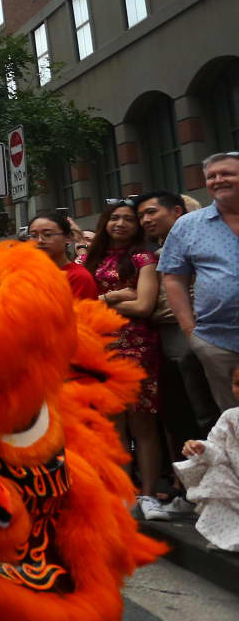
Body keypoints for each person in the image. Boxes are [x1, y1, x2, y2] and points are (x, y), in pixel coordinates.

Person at [84, 200, 166, 517]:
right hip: (99, 345)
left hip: (137, 346)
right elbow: (80, 303)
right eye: (114, 218)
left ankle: (149, 494)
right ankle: (122, 490)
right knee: (113, 423)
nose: (120, 223)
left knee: (142, 422)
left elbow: (143, 306)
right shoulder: (88, 258)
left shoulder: (143, 257)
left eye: (128, 219)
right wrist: (115, 296)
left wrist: (99, 302)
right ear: (105, 222)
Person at [160, 152, 239, 414]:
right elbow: (173, 278)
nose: (218, 180)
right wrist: (189, 331)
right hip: (217, 340)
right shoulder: (188, 225)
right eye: (211, 176)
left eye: (226, 174)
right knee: (233, 420)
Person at [140, 189, 220, 447]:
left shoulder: (201, 241)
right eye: (141, 215)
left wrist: (192, 328)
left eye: (151, 212)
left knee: (204, 407)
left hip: (196, 330)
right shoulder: (156, 250)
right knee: (178, 409)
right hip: (165, 334)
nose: (145, 220)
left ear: (177, 212)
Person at [176, 366, 239, 551]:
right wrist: (201, 448)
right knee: (215, 473)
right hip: (235, 483)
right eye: (237, 384)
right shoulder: (231, 417)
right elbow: (217, 447)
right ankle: (231, 534)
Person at [27, 212, 98, 299]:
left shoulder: (78, 277)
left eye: (47, 235)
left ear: (68, 238)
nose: (40, 240)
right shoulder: (28, 274)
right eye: (34, 236)